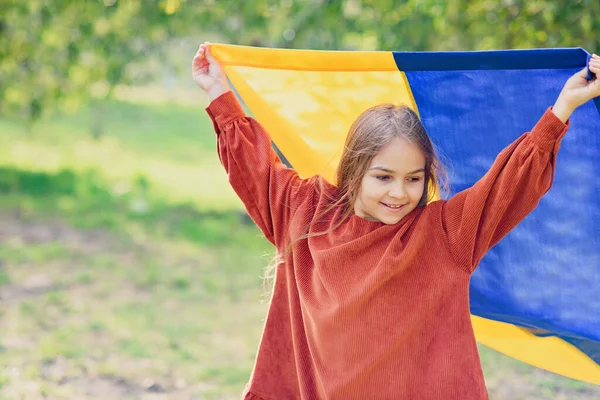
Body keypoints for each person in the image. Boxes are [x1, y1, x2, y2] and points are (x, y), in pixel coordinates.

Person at [192, 41, 600, 400]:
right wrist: (217, 92)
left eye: (413, 179)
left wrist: (561, 108)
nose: (398, 193)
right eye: (383, 177)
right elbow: (253, 167)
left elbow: (509, 185)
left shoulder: (444, 234)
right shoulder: (303, 214)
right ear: (354, 170)